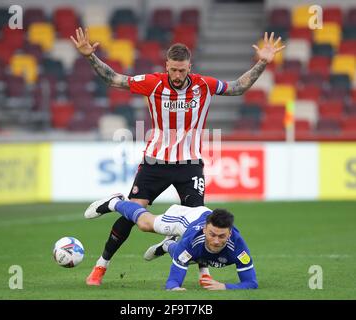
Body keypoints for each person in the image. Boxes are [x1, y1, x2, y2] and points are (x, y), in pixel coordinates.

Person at [70, 28, 284, 286]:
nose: (178, 75)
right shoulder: (153, 82)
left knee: (200, 221)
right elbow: (115, 79)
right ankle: (101, 266)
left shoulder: (203, 85)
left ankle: (203, 273)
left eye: (183, 70)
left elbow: (238, 88)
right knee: (133, 213)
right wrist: (89, 57)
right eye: (173, 70)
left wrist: (262, 62)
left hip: (190, 165)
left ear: (189, 67)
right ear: (167, 66)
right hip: (155, 161)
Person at [84, 193, 258, 290]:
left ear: (229, 235)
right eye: (212, 234)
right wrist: (175, 289)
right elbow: (172, 283)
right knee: (145, 224)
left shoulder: (238, 246)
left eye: (222, 236)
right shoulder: (192, 240)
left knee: (191, 256)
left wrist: (224, 287)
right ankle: (115, 202)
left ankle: (167, 245)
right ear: (205, 229)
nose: (216, 240)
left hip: (195, 237)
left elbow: (251, 283)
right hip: (186, 220)